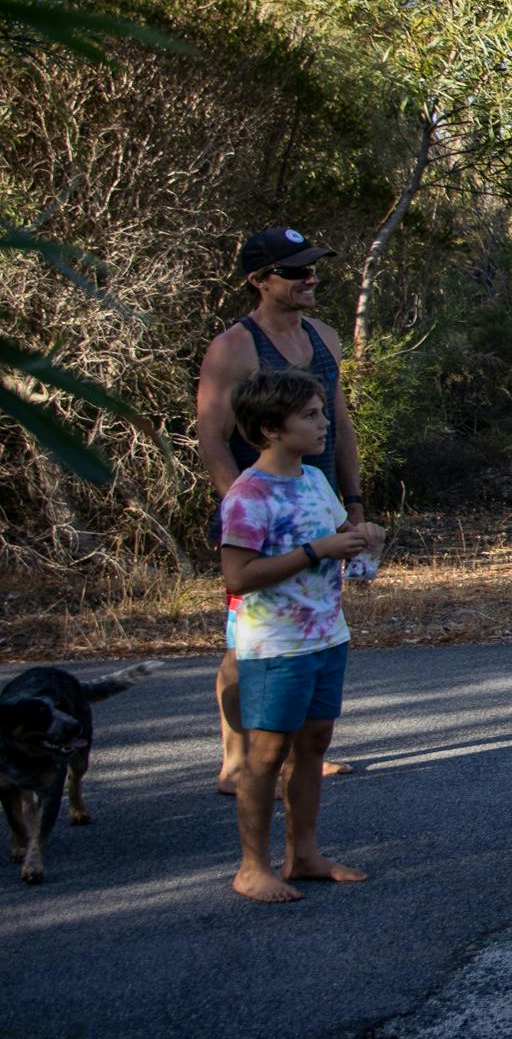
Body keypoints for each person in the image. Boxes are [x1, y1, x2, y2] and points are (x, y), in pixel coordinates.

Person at [196, 227, 364, 795]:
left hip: (315, 499)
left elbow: (338, 424)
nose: (309, 279)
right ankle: (236, 758)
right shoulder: (235, 347)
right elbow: (212, 438)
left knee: (308, 626)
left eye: (313, 269)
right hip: (260, 509)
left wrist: (354, 504)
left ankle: (298, 753)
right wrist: (242, 508)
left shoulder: (324, 337)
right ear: (259, 281)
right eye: (295, 272)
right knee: (246, 635)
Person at [215, 368, 384, 904]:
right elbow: (237, 576)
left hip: (326, 636)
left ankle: (303, 854)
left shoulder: (314, 480)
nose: (322, 425)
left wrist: (363, 540)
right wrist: (317, 552)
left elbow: (334, 541)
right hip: (274, 645)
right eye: (309, 416)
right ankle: (251, 867)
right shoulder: (247, 496)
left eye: (321, 412)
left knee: (313, 746)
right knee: (264, 756)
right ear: (269, 429)